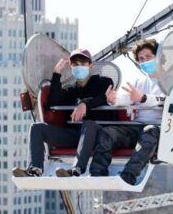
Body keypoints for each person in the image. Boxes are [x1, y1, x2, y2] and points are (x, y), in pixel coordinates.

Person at [12, 48, 115, 177]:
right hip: (74, 134)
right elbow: (53, 102)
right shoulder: (70, 90)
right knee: (37, 128)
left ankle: (77, 169)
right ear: (71, 66)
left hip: (97, 134)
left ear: (91, 66)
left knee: (88, 124)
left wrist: (85, 104)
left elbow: (104, 97)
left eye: (83, 64)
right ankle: (36, 169)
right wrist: (56, 73)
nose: (79, 67)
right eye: (75, 64)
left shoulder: (104, 82)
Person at [88, 39, 165, 185]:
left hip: (159, 130)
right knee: (107, 133)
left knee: (149, 131)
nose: (144, 61)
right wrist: (114, 100)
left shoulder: (168, 82)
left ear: (157, 57)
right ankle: (97, 175)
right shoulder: (139, 82)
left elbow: (166, 100)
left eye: (148, 57)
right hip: (137, 128)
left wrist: (143, 98)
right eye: (141, 59)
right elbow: (127, 98)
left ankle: (127, 177)